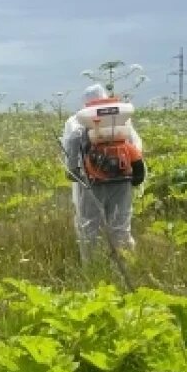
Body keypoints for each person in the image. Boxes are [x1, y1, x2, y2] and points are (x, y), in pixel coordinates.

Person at [59, 84, 145, 262]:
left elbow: (72, 146)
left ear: (85, 103)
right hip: (123, 181)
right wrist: (137, 175)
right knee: (121, 225)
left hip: (92, 182)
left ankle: (92, 266)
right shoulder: (121, 119)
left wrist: (73, 171)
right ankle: (126, 263)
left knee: (90, 226)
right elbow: (135, 147)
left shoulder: (78, 121)